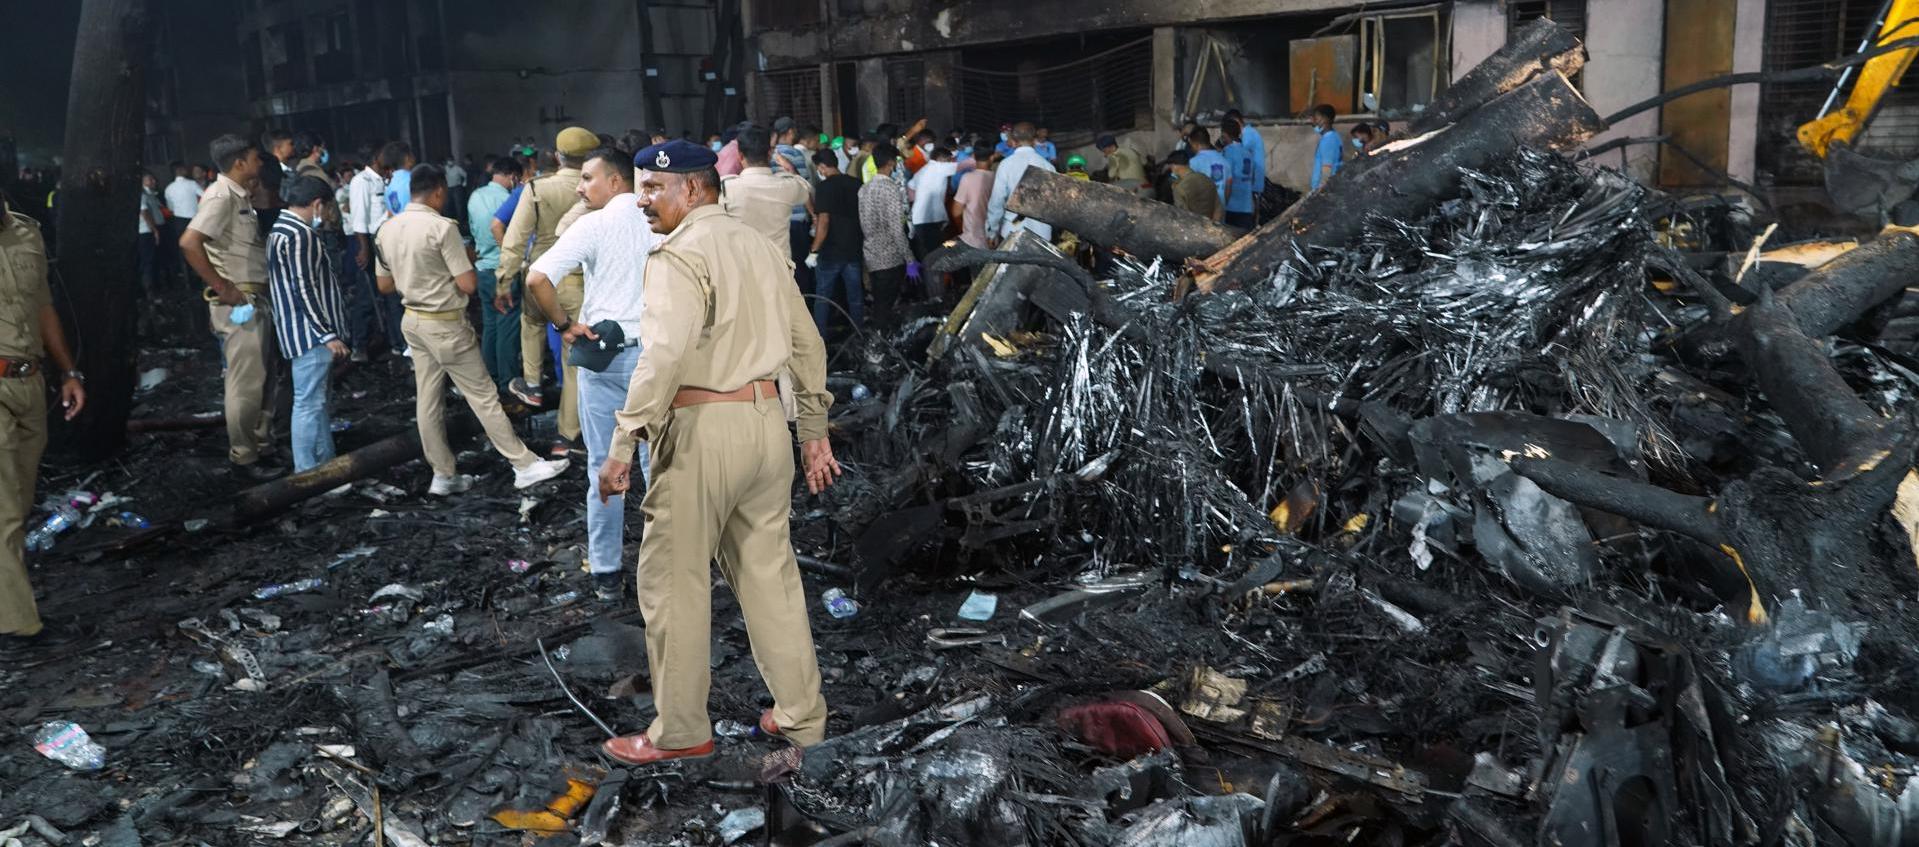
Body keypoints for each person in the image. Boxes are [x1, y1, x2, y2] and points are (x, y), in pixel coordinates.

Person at [596, 139, 839, 766]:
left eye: (654, 189)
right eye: (642, 187)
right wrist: (813, 430)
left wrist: (624, 441)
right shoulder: (756, 244)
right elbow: (806, 343)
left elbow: (664, 356)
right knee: (771, 578)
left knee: (673, 585)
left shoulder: (678, 255)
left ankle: (680, 731)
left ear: (695, 190)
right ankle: (802, 717)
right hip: (766, 429)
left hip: (703, 429)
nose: (643, 200)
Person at [373, 164, 569, 495]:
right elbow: (467, 284)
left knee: (428, 400)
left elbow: (384, 285)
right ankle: (523, 464)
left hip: (413, 322)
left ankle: (443, 473)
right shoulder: (441, 228)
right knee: (483, 396)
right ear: (437, 191)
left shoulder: (386, 229)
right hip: (445, 323)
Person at [523, 147, 660, 601]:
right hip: (655, 359)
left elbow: (536, 279)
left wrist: (564, 326)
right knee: (658, 467)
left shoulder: (592, 225)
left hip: (601, 358)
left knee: (604, 466)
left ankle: (605, 572)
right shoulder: (661, 220)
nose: (579, 188)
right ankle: (665, 568)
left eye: (587, 178)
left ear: (616, 181)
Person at [0, 191, 86, 647]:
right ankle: (18, 625)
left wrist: (68, 370)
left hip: (30, 381)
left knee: (20, 500)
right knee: (3, 512)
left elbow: (44, 307)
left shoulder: (26, 230)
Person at [180, 135, 284, 480]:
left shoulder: (239, 196)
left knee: (264, 378)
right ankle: (245, 457)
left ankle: (261, 445)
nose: (260, 163)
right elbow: (190, 242)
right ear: (240, 161)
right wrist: (222, 287)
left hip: (255, 300)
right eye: (256, 158)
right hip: (241, 304)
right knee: (246, 382)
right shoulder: (220, 196)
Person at [499, 127, 597, 456]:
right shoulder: (597, 188)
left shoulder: (537, 188)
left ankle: (532, 384)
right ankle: (566, 438)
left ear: (557, 156)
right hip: (576, 282)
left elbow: (514, 238)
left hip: (538, 275)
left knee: (531, 323)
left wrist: (503, 280)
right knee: (573, 365)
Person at [267, 177, 349, 473]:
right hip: (310, 336)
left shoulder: (280, 229)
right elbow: (304, 288)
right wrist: (327, 334)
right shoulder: (300, 235)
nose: (328, 215)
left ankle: (325, 465)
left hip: (296, 331)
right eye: (327, 208)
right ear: (317, 204)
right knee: (309, 404)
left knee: (315, 403)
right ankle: (309, 473)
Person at [345, 141, 411, 360]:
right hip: (371, 242)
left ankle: (398, 343)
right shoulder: (360, 182)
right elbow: (359, 219)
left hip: (388, 239)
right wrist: (363, 248)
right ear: (375, 157)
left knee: (392, 294)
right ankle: (359, 345)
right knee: (367, 296)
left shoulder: (386, 179)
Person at [469, 155, 522, 392]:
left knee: (490, 324)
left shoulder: (475, 196)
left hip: (482, 268)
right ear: (513, 177)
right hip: (504, 270)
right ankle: (507, 381)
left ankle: (488, 376)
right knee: (508, 326)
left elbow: (471, 228)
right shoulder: (511, 198)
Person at [719, 126, 813, 256]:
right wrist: (790, 167)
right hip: (779, 269)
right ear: (770, 154)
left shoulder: (725, 189)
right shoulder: (787, 186)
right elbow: (805, 189)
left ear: (740, 156)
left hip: (744, 268)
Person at [806, 148, 863, 333]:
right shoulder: (856, 184)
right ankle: (859, 334)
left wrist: (814, 251)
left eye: (819, 169)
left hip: (831, 252)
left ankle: (820, 337)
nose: (819, 172)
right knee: (855, 297)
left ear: (822, 167)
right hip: (853, 249)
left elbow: (824, 221)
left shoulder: (824, 188)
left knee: (823, 297)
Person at [858, 144, 911, 328]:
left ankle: (878, 340)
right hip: (890, 257)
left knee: (879, 302)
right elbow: (897, 229)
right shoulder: (890, 189)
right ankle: (882, 344)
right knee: (886, 306)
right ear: (890, 163)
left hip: (872, 255)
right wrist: (910, 259)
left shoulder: (864, 189)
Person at [987, 122, 1057, 245]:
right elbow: (1053, 203)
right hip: (1042, 234)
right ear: (1034, 140)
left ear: (1013, 141)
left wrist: (992, 231)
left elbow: (997, 201)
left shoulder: (1005, 165)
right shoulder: (1048, 166)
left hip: (1012, 231)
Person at [907, 146, 957, 263]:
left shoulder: (923, 170)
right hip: (931, 219)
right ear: (942, 159)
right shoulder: (939, 167)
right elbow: (965, 165)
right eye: (949, 160)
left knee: (924, 253)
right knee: (934, 255)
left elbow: (910, 186)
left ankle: (926, 279)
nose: (950, 163)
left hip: (919, 219)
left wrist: (916, 201)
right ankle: (935, 279)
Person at [163, 161, 202, 285]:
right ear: (180, 170)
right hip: (195, 220)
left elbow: (170, 208)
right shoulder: (192, 184)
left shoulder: (168, 188)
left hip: (179, 221)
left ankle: (187, 279)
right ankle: (202, 277)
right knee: (200, 247)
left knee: (184, 250)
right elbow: (205, 196)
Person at [953, 145, 994, 250]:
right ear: (992, 157)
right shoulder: (997, 177)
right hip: (992, 238)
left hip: (971, 238)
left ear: (974, 157)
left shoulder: (967, 178)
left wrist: (962, 231)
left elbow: (956, 211)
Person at [1219, 118, 1256, 230]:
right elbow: (1252, 180)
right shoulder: (1248, 153)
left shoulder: (1228, 152)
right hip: (1247, 207)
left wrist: (1222, 205)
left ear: (1224, 134)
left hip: (1232, 207)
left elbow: (1227, 180)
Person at [1166, 150, 1221, 222]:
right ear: (1188, 163)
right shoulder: (1206, 179)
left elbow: (1182, 217)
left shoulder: (1179, 188)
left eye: (1171, 165)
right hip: (1210, 227)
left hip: (1194, 229)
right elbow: (1218, 208)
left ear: (1174, 166)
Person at [1223, 109, 1266, 196]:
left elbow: (1239, 155)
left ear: (1236, 121)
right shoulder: (1248, 133)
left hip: (1253, 185)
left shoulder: (1248, 134)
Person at [137, 172, 166, 297]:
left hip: (152, 230)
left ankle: (155, 287)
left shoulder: (151, 194)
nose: (154, 181)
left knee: (154, 260)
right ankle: (150, 293)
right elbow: (144, 212)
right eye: (150, 179)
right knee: (148, 261)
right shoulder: (142, 195)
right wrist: (154, 229)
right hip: (146, 232)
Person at [1098, 135, 1151, 200]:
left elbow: (1111, 174)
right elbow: (1144, 162)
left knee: (1107, 189)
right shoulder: (1132, 150)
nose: (1105, 154)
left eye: (1105, 151)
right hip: (1147, 188)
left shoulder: (1113, 156)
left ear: (1111, 147)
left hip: (1137, 191)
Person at [1186, 129, 1229, 207]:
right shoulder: (1224, 160)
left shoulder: (1194, 162)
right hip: (1220, 209)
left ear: (1196, 144)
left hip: (1202, 210)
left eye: (1191, 145)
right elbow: (1228, 186)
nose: (1191, 148)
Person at [1310, 104, 1343, 191]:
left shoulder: (1328, 140)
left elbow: (1327, 169)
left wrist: (1321, 190)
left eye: (1315, 119)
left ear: (1325, 119)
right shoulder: (1334, 136)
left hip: (1324, 189)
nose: (1312, 122)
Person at [382, 144, 418, 217]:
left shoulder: (387, 183)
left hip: (396, 225)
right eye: (412, 155)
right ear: (407, 158)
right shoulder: (415, 178)